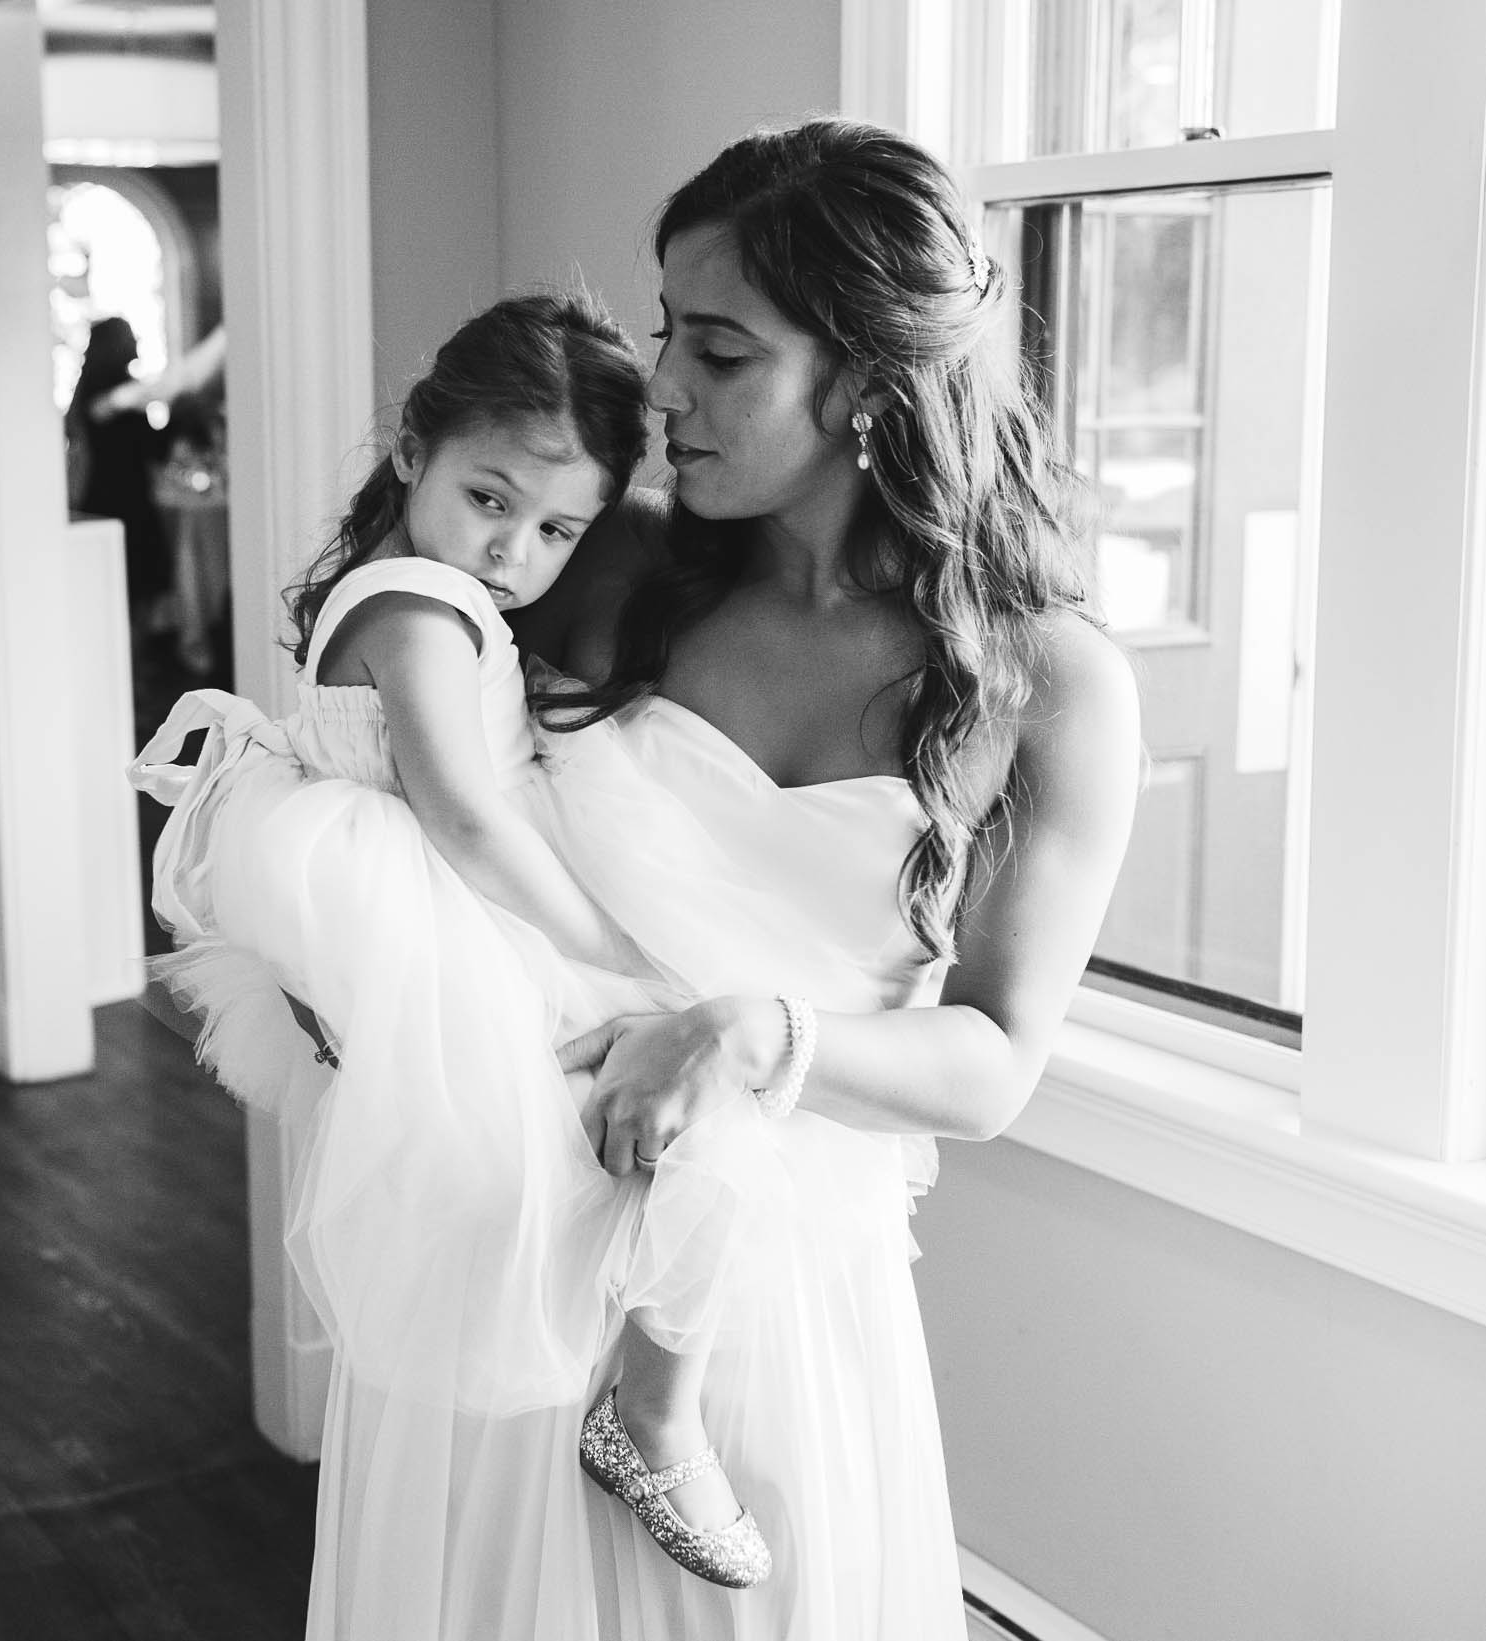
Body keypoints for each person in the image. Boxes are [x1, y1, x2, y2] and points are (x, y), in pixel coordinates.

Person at [500, 117, 1140, 1638]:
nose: (658, 389)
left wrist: (756, 1034)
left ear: (864, 380)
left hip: (774, 1309)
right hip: (517, 1244)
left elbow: (990, 1065)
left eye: (716, 353)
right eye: (666, 336)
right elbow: (404, 742)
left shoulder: (1043, 683)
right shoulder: (609, 578)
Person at [129, 292, 804, 1596]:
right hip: (454, 909)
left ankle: (642, 1412)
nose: (513, 550)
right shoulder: (413, 603)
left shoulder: (421, 582)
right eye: (488, 498)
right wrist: (619, 950)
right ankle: (651, 1425)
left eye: (558, 528)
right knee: (710, 1142)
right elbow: (464, 814)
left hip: (442, 906)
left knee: (666, 1142)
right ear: (410, 453)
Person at [66, 316, 172, 612]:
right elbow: (154, 450)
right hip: (128, 502)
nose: (136, 342)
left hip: (95, 498)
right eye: (130, 336)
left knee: (106, 591)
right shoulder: (120, 396)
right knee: (133, 590)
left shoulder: (87, 391)